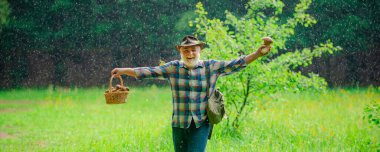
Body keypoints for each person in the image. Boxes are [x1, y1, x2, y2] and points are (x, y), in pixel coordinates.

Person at [111, 35, 271, 152]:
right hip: (179, 123)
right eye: (185, 50)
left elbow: (236, 63)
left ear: (199, 50)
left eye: (193, 50)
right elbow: (149, 71)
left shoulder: (211, 67)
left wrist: (257, 54)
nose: (190, 54)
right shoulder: (174, 68)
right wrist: (124, 71)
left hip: (201, 123)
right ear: (180, 51)